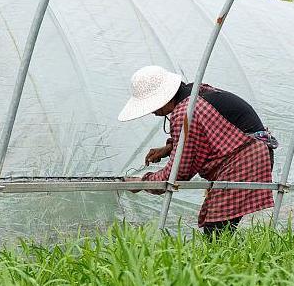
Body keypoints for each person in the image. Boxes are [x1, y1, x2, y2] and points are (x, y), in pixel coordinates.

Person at [118, 65, 277, 237]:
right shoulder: (195, 92)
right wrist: (169, 147)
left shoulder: (184, 113)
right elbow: (213, 132)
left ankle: (230, 262)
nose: (152, 112)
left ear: (163, 97)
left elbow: (177, 173)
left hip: (244, 161)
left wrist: (142, 182)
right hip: (254, 153)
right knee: (218, 228)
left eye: (151, 105)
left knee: (216, 230)